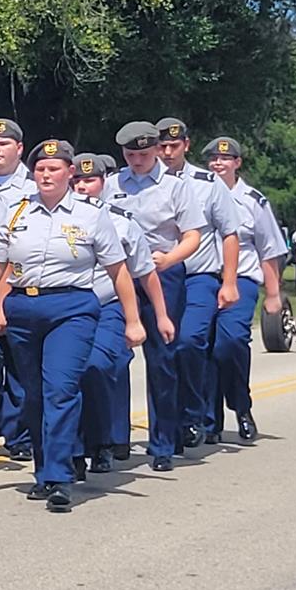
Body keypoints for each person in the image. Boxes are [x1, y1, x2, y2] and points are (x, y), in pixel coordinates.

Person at [0, 140, 146, 513]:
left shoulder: (91, 215)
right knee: (33, 395)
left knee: (61, 389)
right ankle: (42, 471)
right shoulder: (16, 213)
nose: (46, 174)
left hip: (73, 308)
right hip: (23, 307)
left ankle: (61, 474)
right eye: (40, 169)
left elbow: (118, 270)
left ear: (69, 172)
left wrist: (133, 320)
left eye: (55, 168)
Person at [103, 121, 207, 473]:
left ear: (157, 150)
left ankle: (163, 441)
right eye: (130, 155)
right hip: (119, 278)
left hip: (163, 275)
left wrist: (171, 258)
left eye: (143, 154)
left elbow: (193, 236)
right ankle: (114, 439)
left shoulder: (175, 188)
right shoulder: (112, 184)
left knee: (162, 360)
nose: (137, 161)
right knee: (112, 359)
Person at [74, 154, 174, 476]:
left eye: (89, 180)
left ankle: (105, 443)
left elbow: (146, 273)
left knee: (99, 367)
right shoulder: (54, 219)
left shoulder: (121, 221)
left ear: (104, 184)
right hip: (67, 309)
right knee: (66, 378)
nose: (83, 186)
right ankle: (74, 450)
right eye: (77, 180)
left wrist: (160, 316)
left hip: (107, 307)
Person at [155, 118, 241, 450]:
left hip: (198, 277)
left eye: (173, 145)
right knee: (164, 350)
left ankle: (193, 415)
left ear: (186, 145)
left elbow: (229, 233)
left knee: (190, 341)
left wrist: (229, 281)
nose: (166, 152)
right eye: (161, 146)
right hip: (158, 279)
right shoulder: (144, 182)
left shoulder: (208, 183)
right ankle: (168, 422)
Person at [200, 138, 288, 442]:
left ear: (237, 163)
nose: (217, 164)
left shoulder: (253, 200)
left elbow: (269, 249)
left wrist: (274, 295)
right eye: (213, 159)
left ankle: (241, 405)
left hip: (241, 281)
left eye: (225, 159)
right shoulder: (197, 193)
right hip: (204, 280)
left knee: (231, 342)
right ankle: (209, 420)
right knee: (204, 348)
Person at [0, 118, 34, 457]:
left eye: (3, 143)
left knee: (18, 362)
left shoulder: (34, 186)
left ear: (19, 148)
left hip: (18, 282)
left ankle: (19, 434)